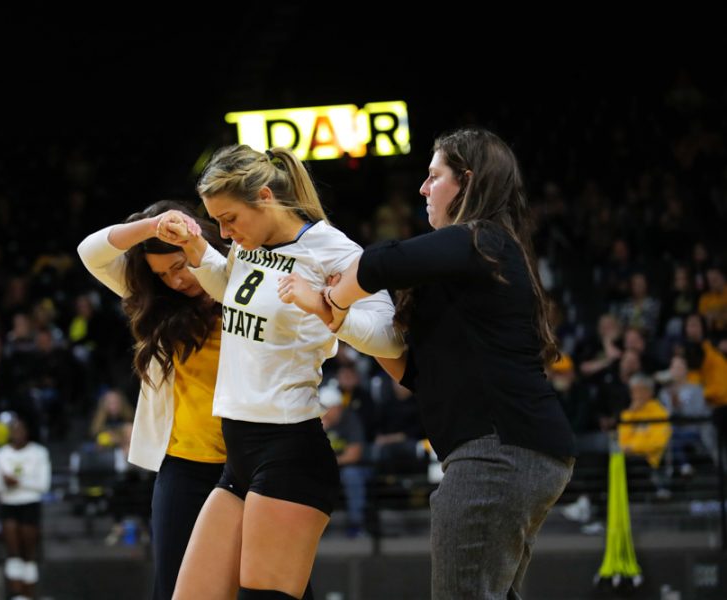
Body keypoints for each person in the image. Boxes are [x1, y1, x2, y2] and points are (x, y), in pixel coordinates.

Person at [305, 128, 576, 599]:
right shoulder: (470, 263)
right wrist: (343, 320)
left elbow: (381, 262)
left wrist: (331, 296)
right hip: (512, 450)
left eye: (434, 176)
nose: (423, 189)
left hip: (497, 451)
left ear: (466, 183)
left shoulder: (482, 238)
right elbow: (413, 373)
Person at [162, 145, 402, 600]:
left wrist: (326, 307)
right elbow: (232, 292)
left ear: (267, 197)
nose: (226, 233)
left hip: (289, 449)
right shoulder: (246, 245)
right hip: (240, 453)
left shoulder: (332, 249)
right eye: (217, 223)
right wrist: (196, 248)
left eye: (230, 219)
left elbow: (390, 338)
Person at [77, 200, 232, 600]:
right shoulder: (159, 303)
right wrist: (151, 227)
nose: (176, 281)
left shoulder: (238, 276)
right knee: (175, 587)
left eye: (179, 267)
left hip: (249, 460)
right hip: (183, 464)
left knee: (266, 584)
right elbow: (90, 252)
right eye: (162, 275)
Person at [0, 417, 51, 600]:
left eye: (20, 429)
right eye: (13, 430)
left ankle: (29, 593)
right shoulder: (0, 455)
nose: (17, 433)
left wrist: (20, 482)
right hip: (8, 504)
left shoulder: (39, 453)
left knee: (28, 552)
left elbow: (43, 484)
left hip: (30, 504)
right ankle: (16, 594)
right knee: (13, 551)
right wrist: (6, 483)